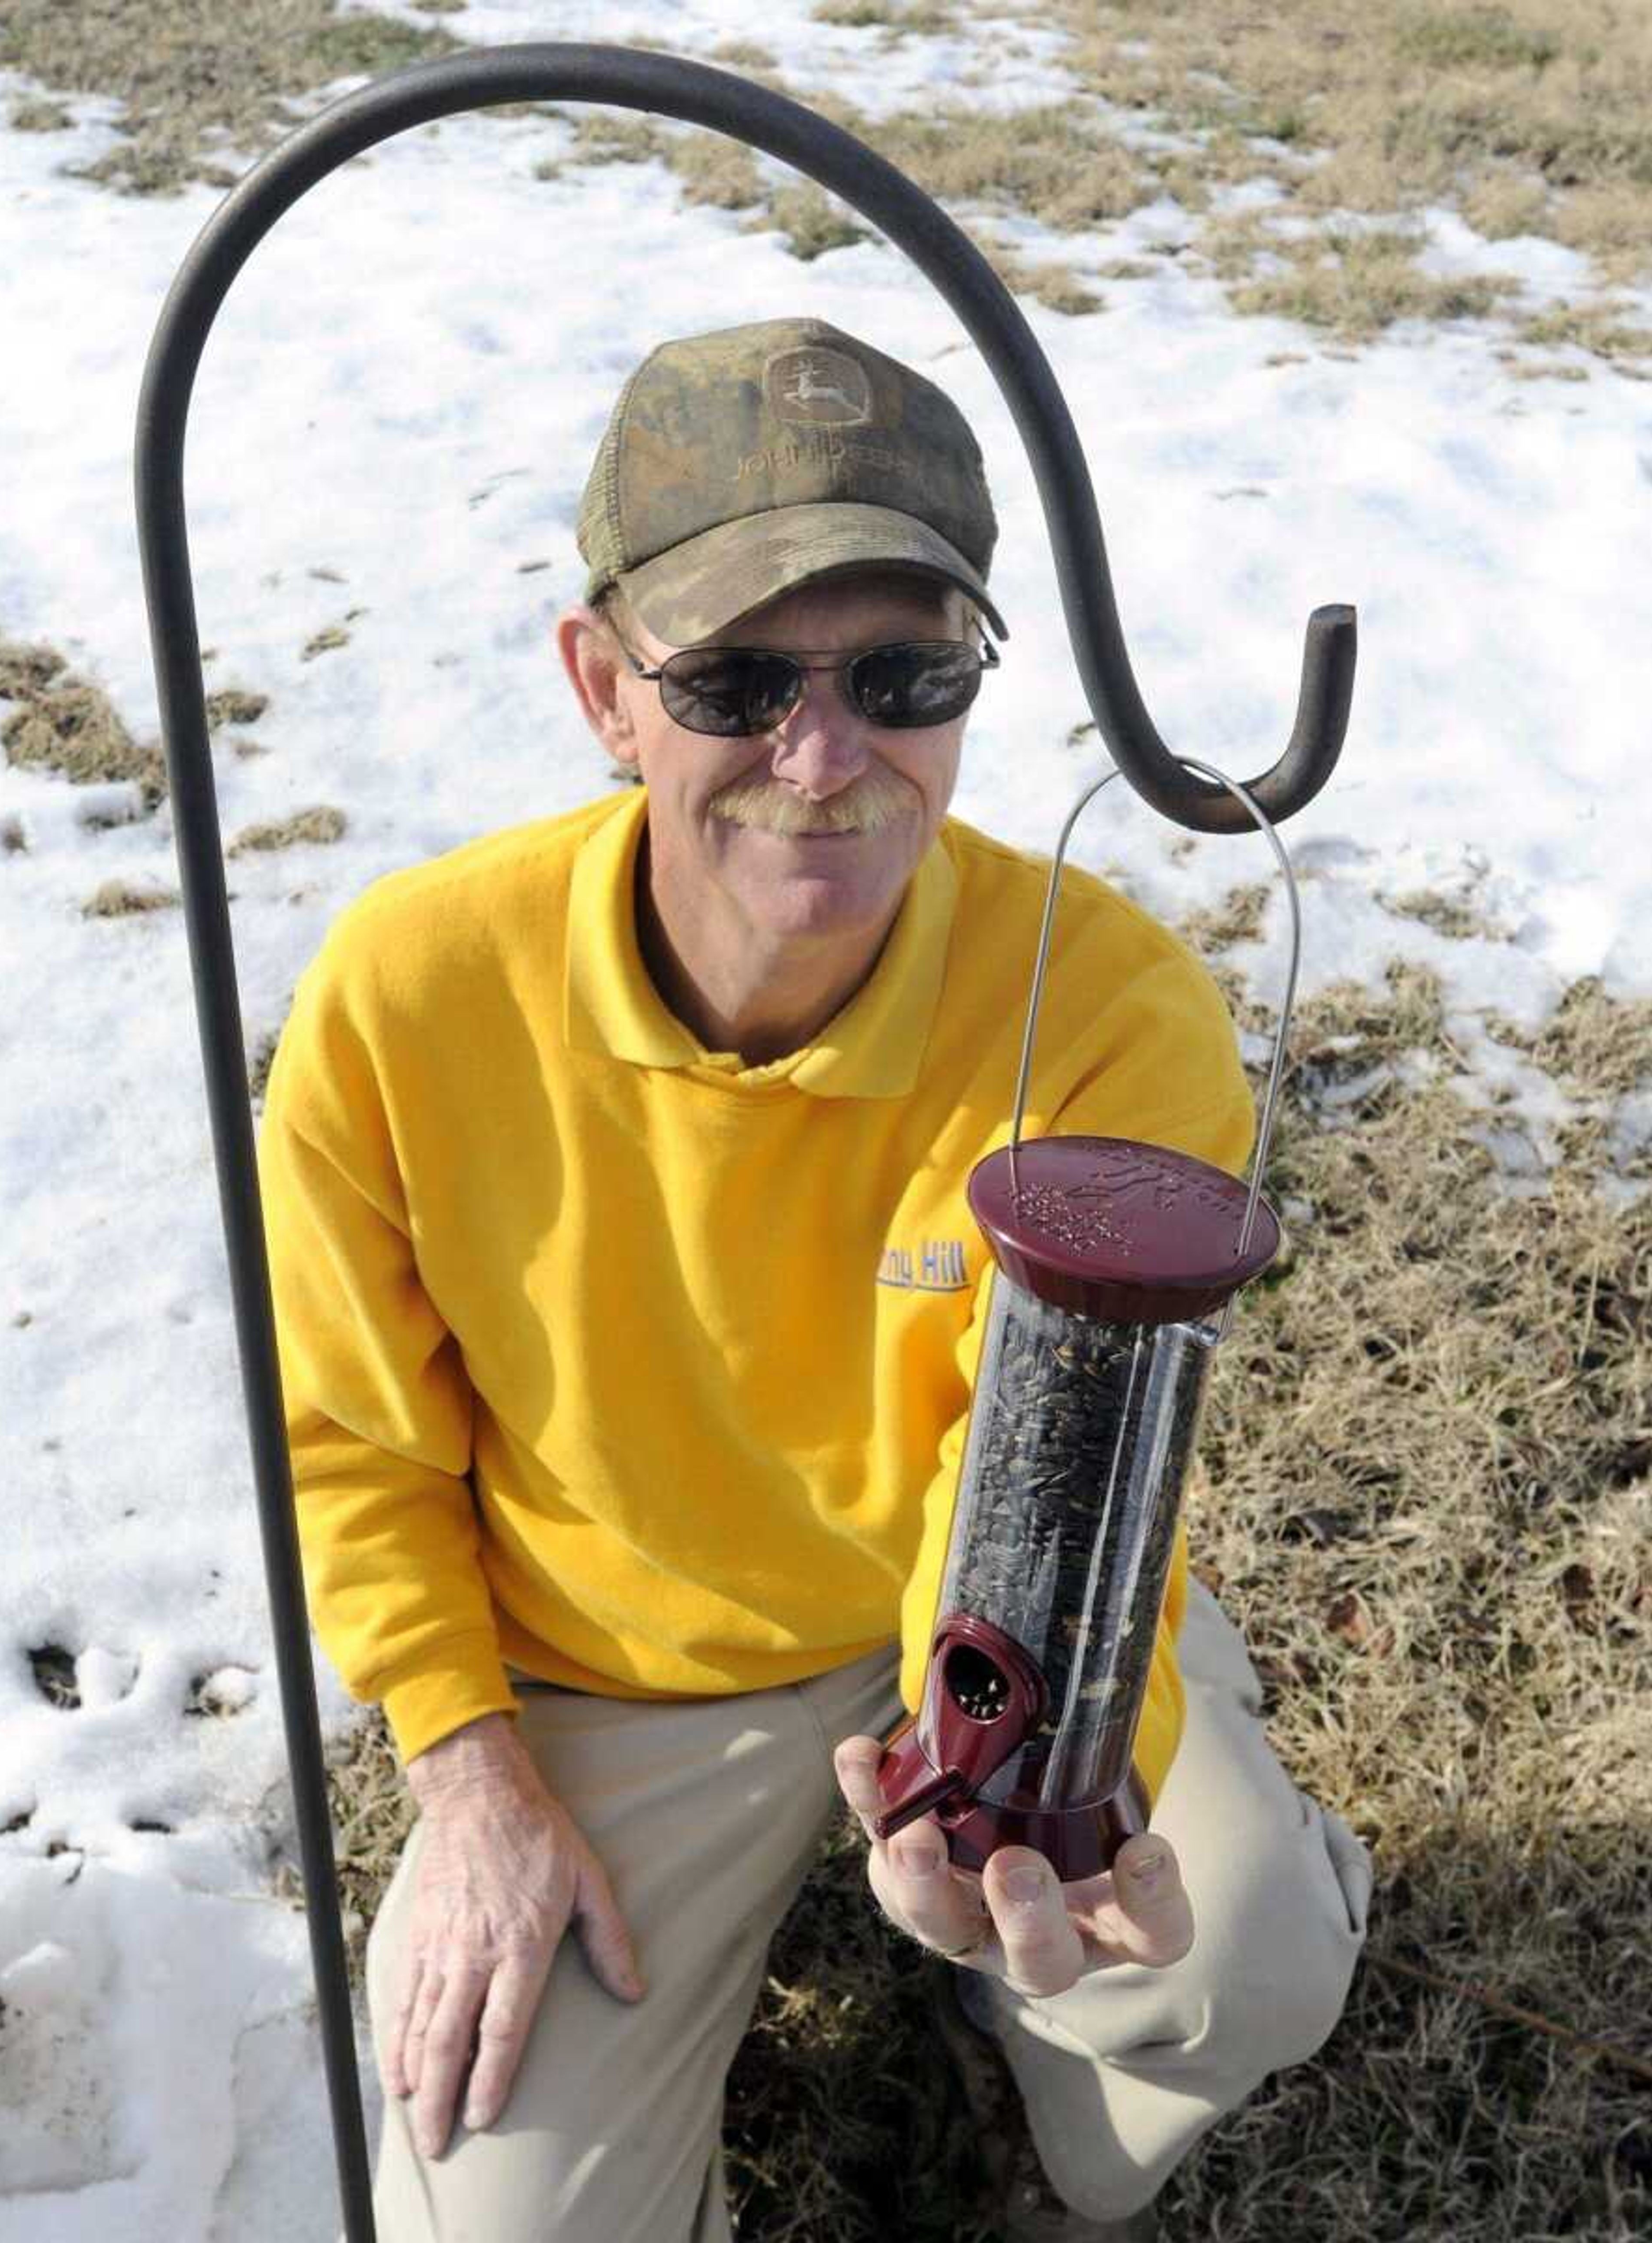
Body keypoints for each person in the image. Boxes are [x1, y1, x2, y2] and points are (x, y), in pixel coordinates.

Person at [258, 315, 1372, 2243]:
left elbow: (1046, 1478)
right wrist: (468, 1775)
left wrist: (1010, 1784)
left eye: (902, 670)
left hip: (966, 1625)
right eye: (736, 681)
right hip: (608, 1680)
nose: (825, 751)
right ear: (603, 688)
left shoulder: (1101, 1009)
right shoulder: (408, 992)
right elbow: (345, 1440)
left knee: (1234, 1972)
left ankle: (1036, 2068)